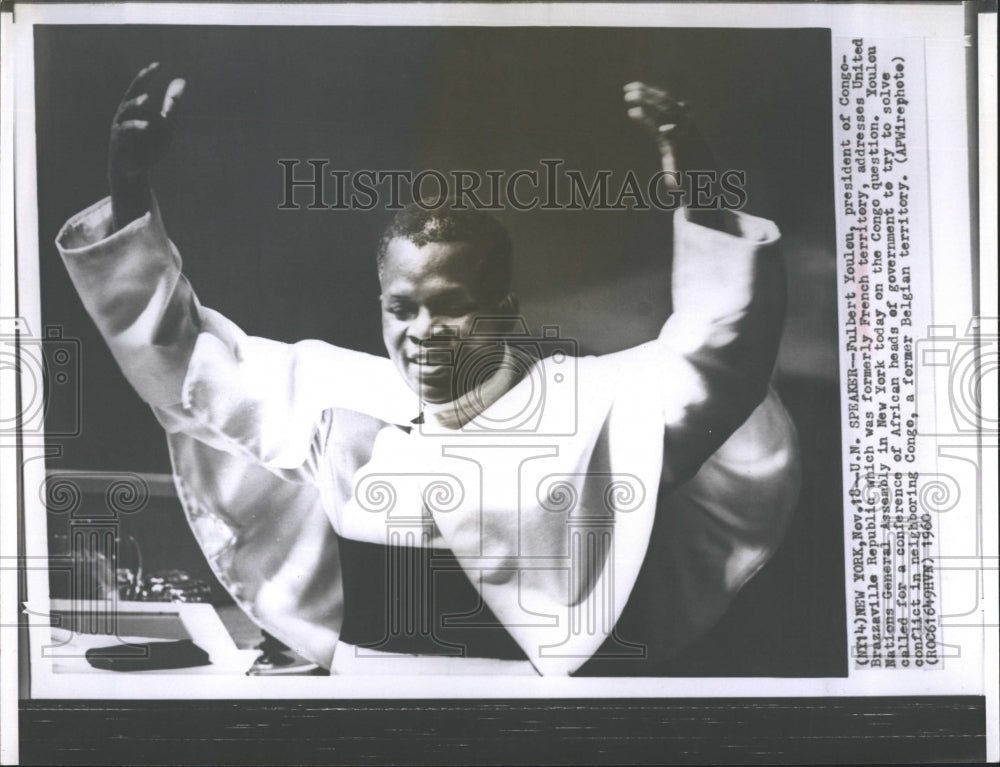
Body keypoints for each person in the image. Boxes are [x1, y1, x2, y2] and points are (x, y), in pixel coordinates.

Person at [56, 63, 801, 676]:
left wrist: (700, 192)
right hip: (359, 713)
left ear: (504, 311)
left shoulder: (588, 407)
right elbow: (185, 363)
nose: (422, 333)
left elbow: (716, 356)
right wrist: (129, 187)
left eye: (450, 308)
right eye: (401, 308)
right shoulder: (335, 398)